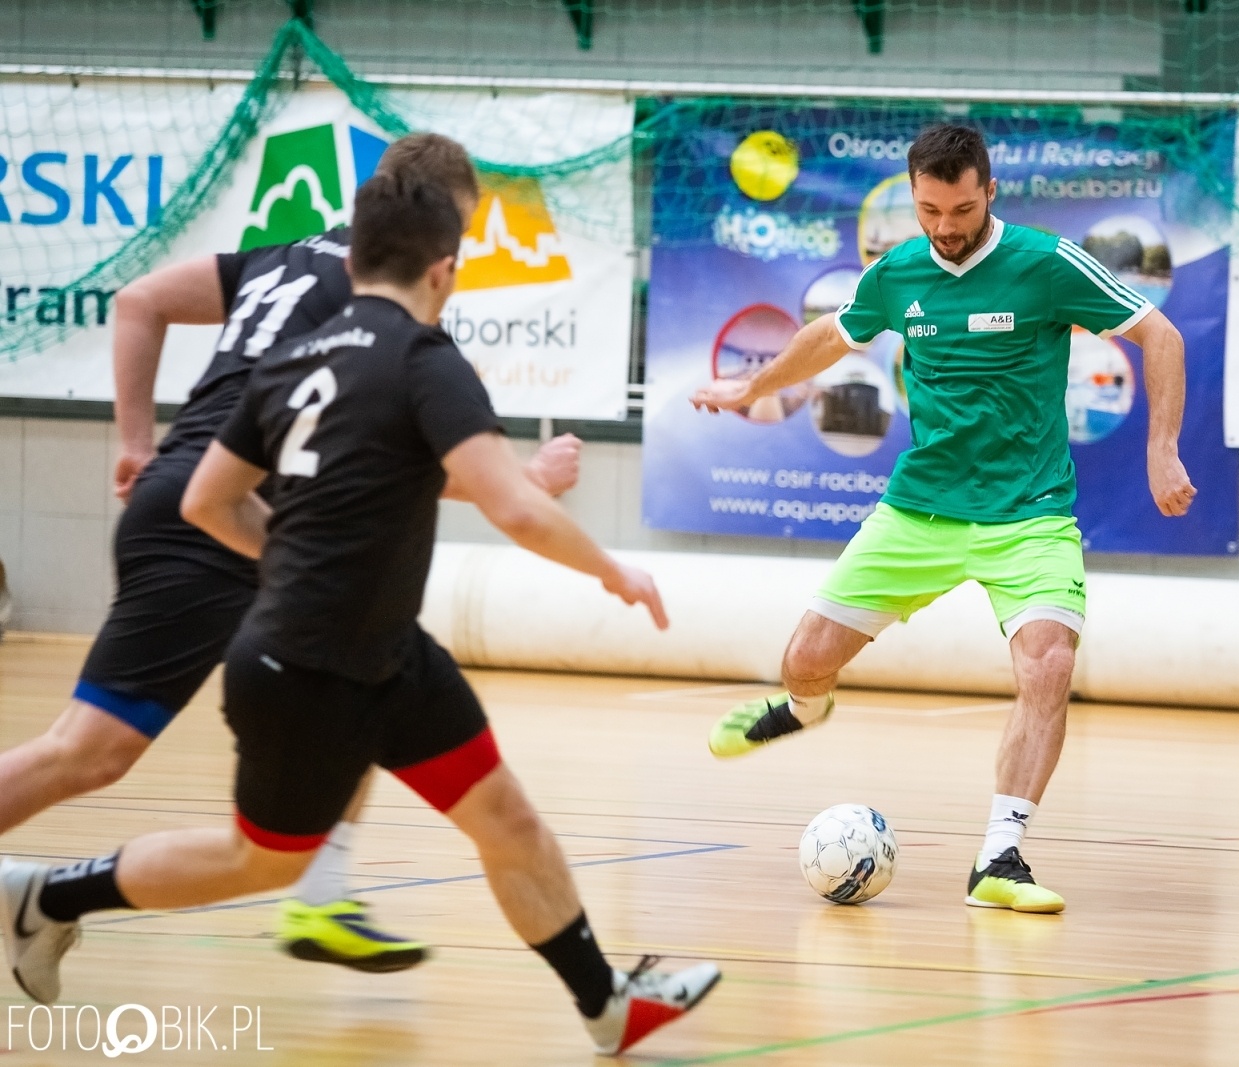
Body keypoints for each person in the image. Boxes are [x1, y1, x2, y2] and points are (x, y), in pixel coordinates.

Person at [0, 167, 719, 1055]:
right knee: (253, 854)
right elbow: (517, 509)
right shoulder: (425, 358)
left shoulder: (295, 356)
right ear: (444, 268)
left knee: (506, 815)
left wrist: (292, 551)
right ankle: (44, 895)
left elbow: (206, 501)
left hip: (380, 650)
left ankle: (605, 1002)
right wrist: (616, 572)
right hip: (310, 662)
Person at [692, 123, 1196, 914]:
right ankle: (802, 708)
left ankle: (1000, 856)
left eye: (960, 208)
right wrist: (750, 389)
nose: (945, 226)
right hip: (920, 509)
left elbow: (1157, 333)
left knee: (1049, 666)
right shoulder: (897, 271)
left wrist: (1161, 449)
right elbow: (832, 334)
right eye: (929, 209)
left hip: (1029, 514)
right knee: (805, 659)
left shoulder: (1044, 262)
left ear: (989, 193)